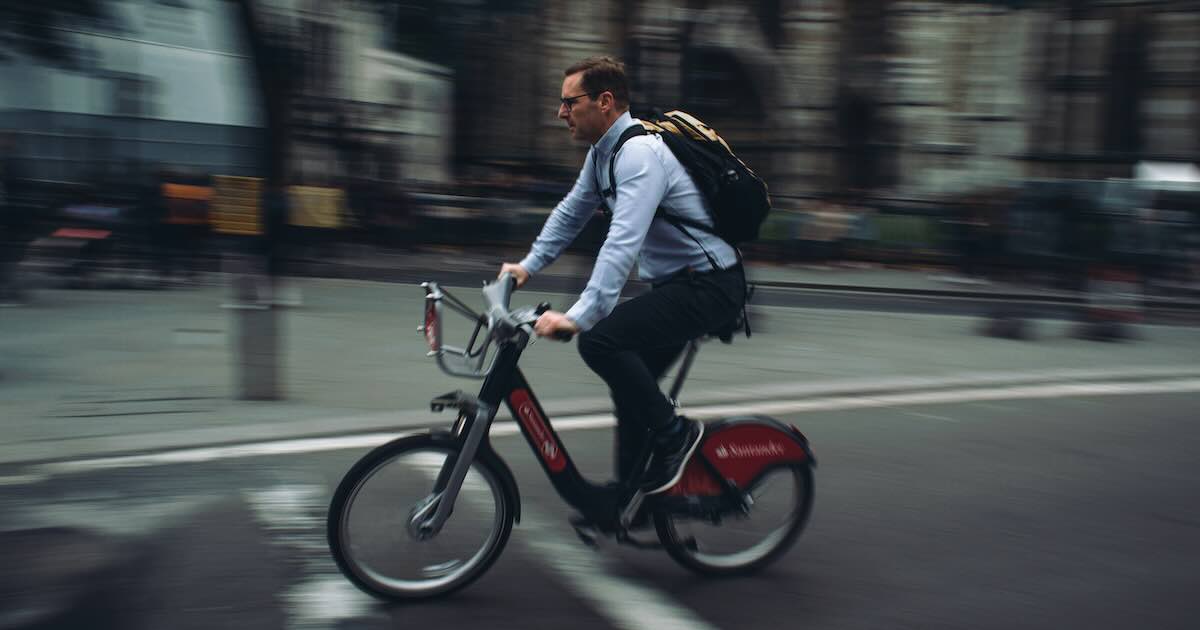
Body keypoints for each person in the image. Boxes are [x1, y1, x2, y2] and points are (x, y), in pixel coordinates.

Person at [498, 57, 747, 498]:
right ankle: (626, 496)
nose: (561, 113)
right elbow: (571, 214)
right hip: (681, 285)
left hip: (710, 285)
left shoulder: (638, 155)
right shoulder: (604, 155)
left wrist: (579, 316)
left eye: (569, 102)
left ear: (605, 102)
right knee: (631, 389)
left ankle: (677, 435)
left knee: (599, 341)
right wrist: (526, 266)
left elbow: (621, 242)